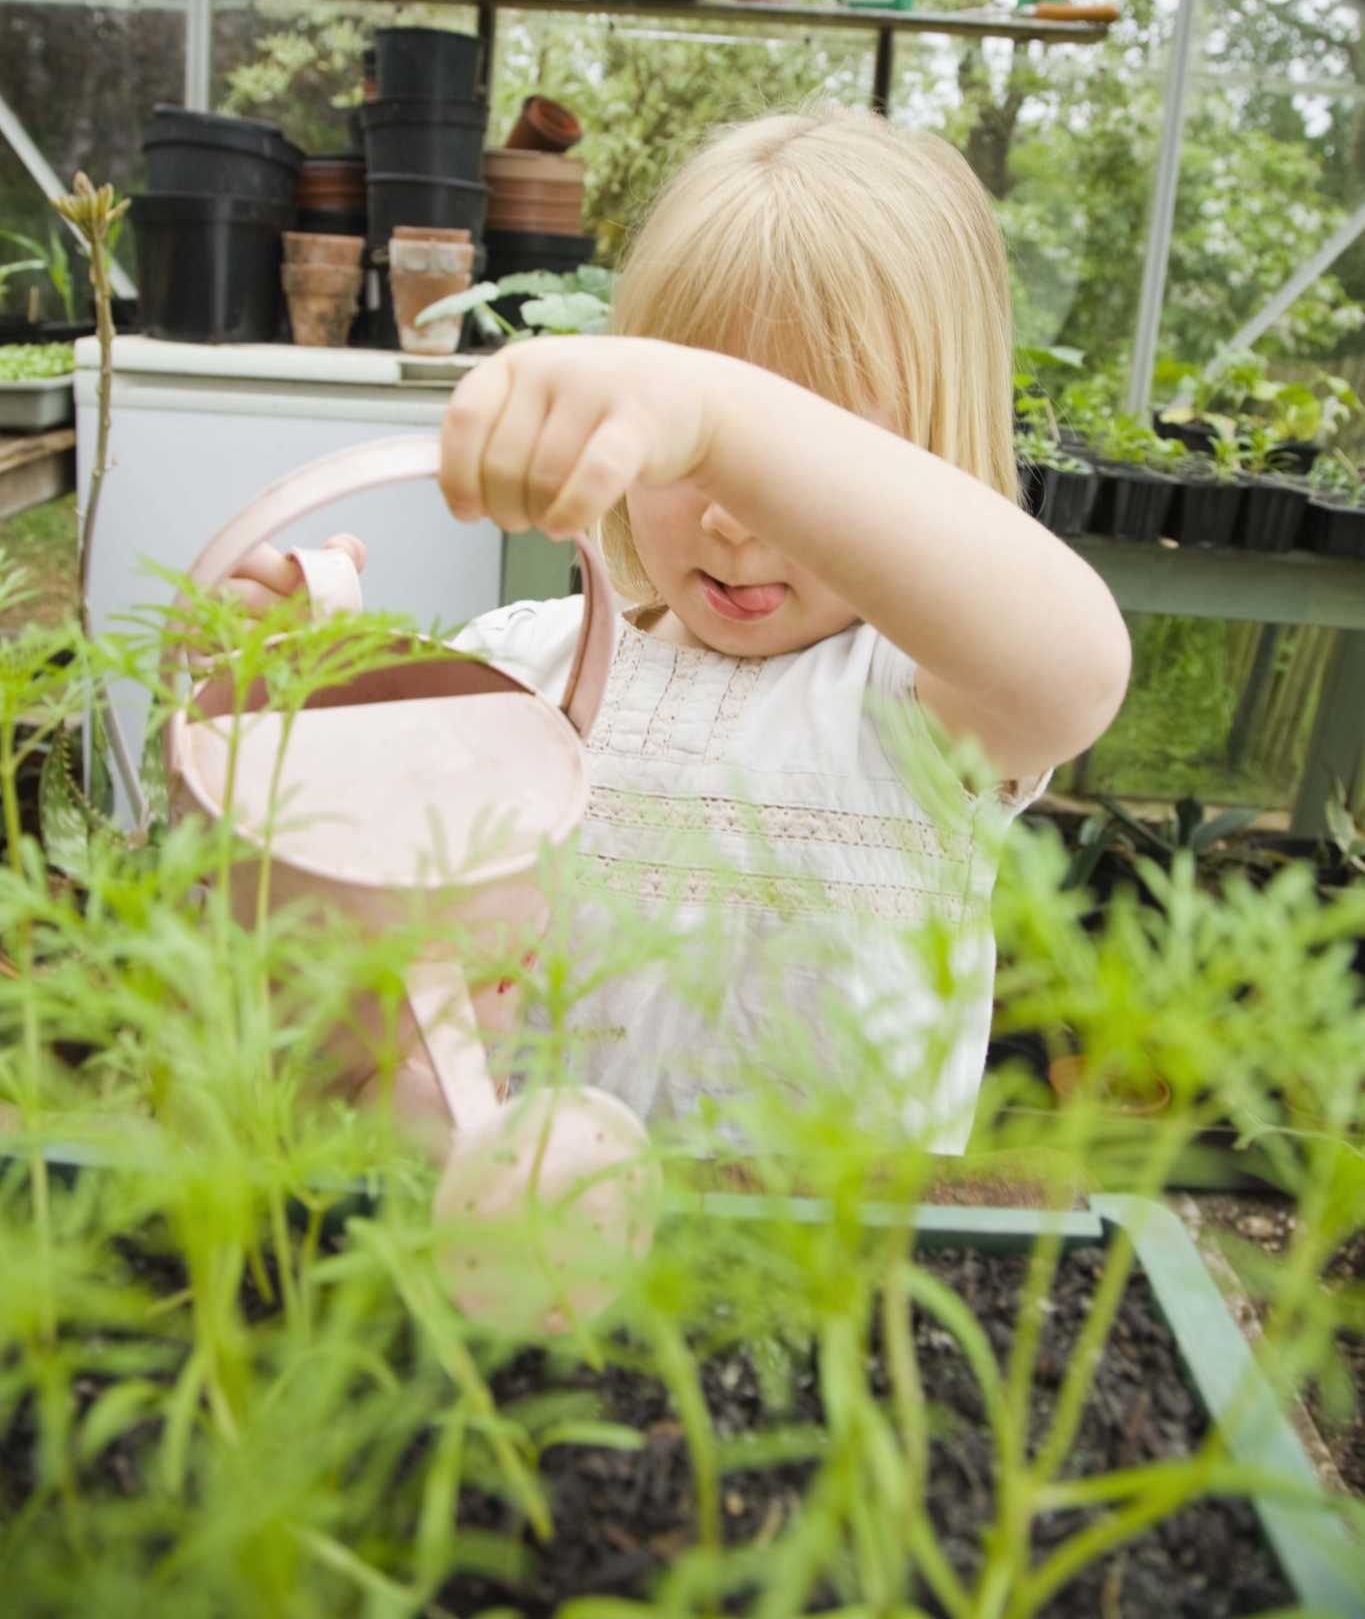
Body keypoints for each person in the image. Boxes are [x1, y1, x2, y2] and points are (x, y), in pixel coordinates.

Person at [230, 107, 1129, 1151]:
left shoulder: (922, 707)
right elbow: (369, 894)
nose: (732, 516)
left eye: (793, 463)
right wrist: (305, 704)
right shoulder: (523, 664)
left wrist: (715, 412)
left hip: (816, 1274)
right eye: (685, 451)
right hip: (525, 1240)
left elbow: (1077, 667)